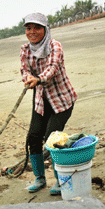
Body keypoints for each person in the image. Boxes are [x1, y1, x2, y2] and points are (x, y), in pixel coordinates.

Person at [20, 12, 78, 195]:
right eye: (29, 28)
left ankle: (61, 180)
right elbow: (24, 70)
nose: (32, 32)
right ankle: (40, 179)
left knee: (52, 139)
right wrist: (28, 78)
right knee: (33, 137)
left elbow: (52, 70)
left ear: (45, 29)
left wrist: (37, 79)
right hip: (41, 101)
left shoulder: (55, 46)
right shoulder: (25, 50)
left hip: (62, 101)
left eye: (37, 27)